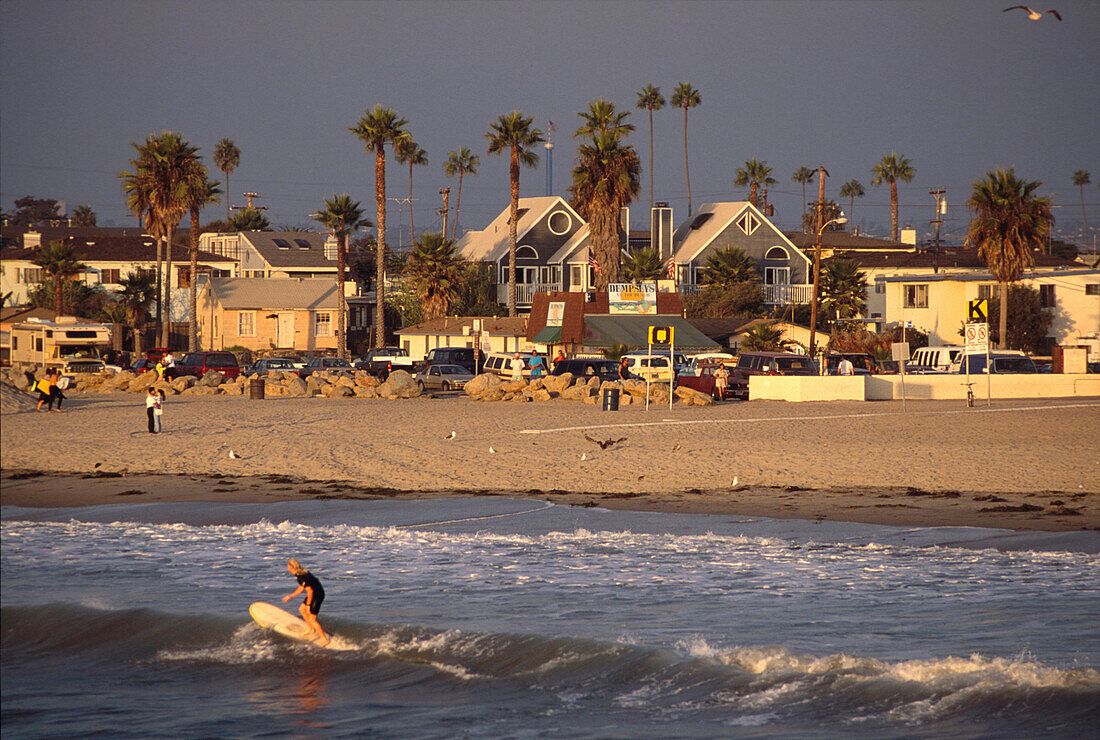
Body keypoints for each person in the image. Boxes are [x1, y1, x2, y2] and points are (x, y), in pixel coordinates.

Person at [282, 558, 329, 647]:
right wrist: (290, 596)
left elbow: (310, 591)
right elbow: (301, 588)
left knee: (312, 619)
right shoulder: (301, 573)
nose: (287, 569)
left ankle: (324, 639)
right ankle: (311, 629)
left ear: (292, 567)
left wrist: (308, 605)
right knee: (301, 609)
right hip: (315, 592)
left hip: (317, 595)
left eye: (288, 567)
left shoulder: (301, 576)